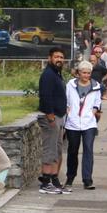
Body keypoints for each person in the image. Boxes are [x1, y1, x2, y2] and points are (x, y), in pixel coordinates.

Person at [64, 61, 103, 190]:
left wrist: (95, 110)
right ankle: (70, 178)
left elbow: (98, 100)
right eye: (84, 72)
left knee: (88, 150)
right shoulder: (70, 84)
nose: (86, 75)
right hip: (73, 123)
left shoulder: (96, 86)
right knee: (72, 151)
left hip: (89, 123)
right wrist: (67, 109)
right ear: (79, 73)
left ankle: (87, 180)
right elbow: (66, 98)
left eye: (88, 73)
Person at [37, 48, 69, 194]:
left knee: (57, 149)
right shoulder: (48, 75)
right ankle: (45, 182)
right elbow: (45, 95)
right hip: (51, 117)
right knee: (50, 149)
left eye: (61, 57)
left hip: (59, 116)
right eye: (56, 57)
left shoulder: (56, 73)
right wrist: (50, 115)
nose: (59, 59)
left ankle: (53, 179)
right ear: (50, 58)